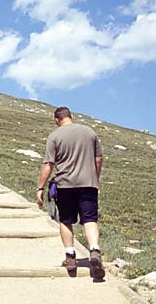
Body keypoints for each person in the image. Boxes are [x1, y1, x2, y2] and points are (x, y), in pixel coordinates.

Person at [36, 106, 105, 279]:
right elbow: (98, 159)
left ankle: (70, 256)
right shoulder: (89, 132)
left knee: (66, 220)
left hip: (65, 185)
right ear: (71, 117)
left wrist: (40, 187)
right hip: (88, 184)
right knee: (90, 219)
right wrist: (95, 181)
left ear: (56, 120)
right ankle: (94, 251)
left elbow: (48, 164)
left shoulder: (54, 136)